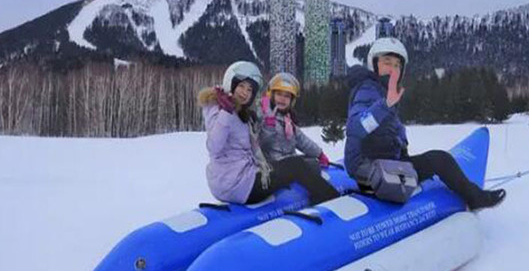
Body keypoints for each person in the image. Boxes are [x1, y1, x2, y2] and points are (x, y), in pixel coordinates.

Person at [344, 38, 506, 211]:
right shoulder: (367, 90)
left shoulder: (383, 91)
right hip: (369, 170)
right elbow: (355, 127)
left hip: (389, 162)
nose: (392, 69)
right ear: (374, 64)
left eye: (397, 65)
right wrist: (386, 105)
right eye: (387, 62)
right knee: (440, 160)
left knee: (437, 160)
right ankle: (475, 198)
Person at [198, 61, 338, 205]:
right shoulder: (221, 110)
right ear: (231, 84)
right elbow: (214, 147)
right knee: (296, 166)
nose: (245, 92)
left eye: (249, 90)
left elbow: (300, 140)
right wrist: (226, 112)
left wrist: (319, 154)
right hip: (238, 184)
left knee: (306, 164)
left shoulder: (240, 113)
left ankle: (316, 195)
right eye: (241, 86)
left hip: (239, 179)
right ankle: (332, 200)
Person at [259, 72, 330, 167]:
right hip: (271, 166)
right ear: (272, 96)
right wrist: (269, 123)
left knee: (312, 163)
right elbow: (263, 143)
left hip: (289, 164)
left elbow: (302, 141)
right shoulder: (262, 116)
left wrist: (319, 154)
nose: (282, 99)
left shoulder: (287, 121)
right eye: (279, 94)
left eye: (287, 96)